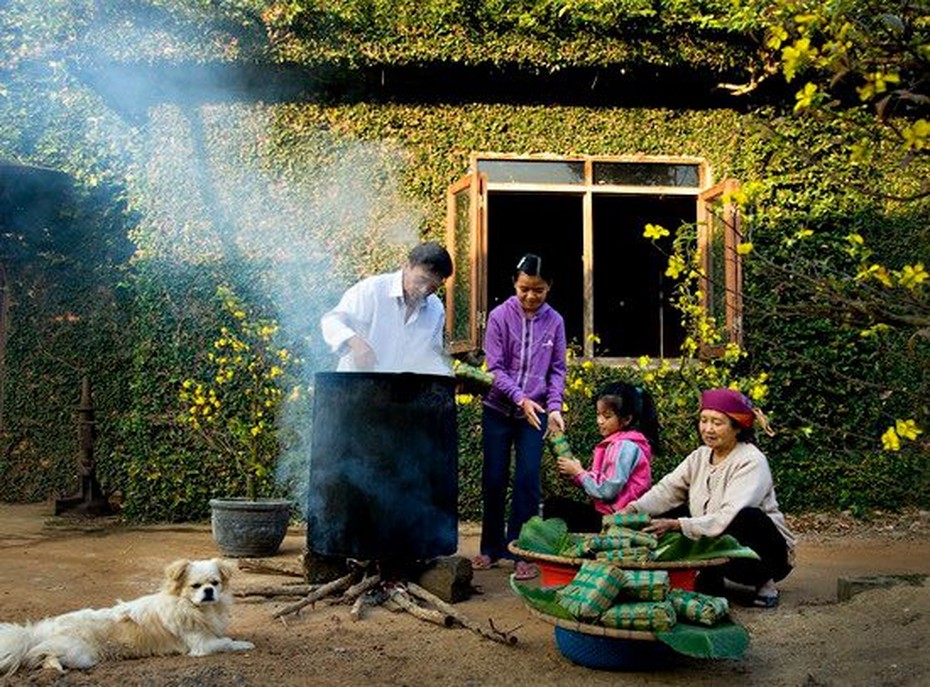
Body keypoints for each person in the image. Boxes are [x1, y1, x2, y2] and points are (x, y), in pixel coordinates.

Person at [622, 388, 795, 608]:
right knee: (667, 512)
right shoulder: (700, 456)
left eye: (717, 422)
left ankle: (764, 581)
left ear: (737, 426)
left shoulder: (751, 461)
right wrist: (633, 509)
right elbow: (667, 490)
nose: (708, 429)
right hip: (716, 541)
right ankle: (708, 574)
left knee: (747, 517)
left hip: (764, 552)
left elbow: (728, 515)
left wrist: (678, 525)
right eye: (704, 420)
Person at [472, 254, 567, 580]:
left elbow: (557, 370)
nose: (530, 296)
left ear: (549, 287)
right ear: (515, 283)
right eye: (525, 288)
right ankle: (490, 548)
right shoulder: (499, 316)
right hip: (498, 410)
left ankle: (521, 551)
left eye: (538, 290)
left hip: (535, 415)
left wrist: (553, 407)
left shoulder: (555, 321)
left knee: (528, 481)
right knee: (494, 478)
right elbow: (495, 368)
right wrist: (519, 398)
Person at [320, 241, 454, 375]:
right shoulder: (372, 290)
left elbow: (431, 356)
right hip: (356, 386)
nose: (424, 289)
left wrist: (447, 378)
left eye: (433, 286)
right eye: (420, 280)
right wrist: (355, 343)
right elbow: (331, 321)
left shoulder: (435, 308)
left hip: (400, 391)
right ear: (407, 266)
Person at [544, 381, 658, 533]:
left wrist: (579, 473)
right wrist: (576, 473)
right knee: (557, 505)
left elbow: (607, 491)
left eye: (607, 416)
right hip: (607, 514)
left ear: (626, 419)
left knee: (555, 506)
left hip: (618, 520)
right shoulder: (617, 443)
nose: (600, 421)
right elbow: (600, 483)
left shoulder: (625, 446)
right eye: (598, 414)